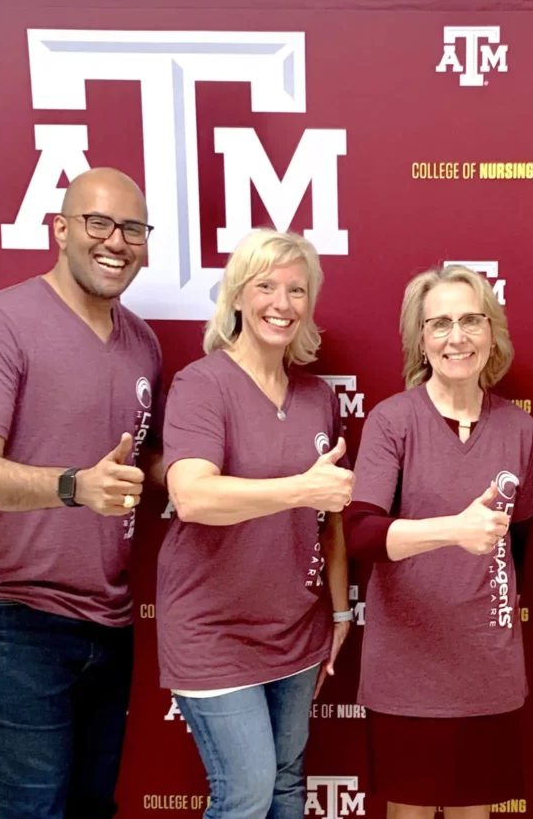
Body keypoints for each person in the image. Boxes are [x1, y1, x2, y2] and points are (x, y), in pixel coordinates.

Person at [0, 167, 162, 819]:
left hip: (107, 617)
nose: (116, 242)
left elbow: (144, 464)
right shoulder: (0, 322)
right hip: (10, 612)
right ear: (62, 229)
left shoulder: (144, 344)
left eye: (132, 228)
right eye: (98, 223)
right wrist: (73, 486)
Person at [158, 228, 355, 819]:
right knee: (245, 793)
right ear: (238, 296)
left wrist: (340, 612)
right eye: (266, 285)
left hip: (295, 629)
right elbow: (191, 495)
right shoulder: (203, 383)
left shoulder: (318, 396)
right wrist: (300, 489)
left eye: (297, 290)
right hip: (213, 632)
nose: (282, 302)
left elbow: (331, 520)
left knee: (288, 786)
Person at [343, 264, 533, 819]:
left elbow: (519, 539)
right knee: (408, 810)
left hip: (486, 664)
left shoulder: (518, 429)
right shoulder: (392, 420)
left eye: (471, 320)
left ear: (492, 331)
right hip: (408, 664)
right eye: (440, 324)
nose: (457, 337)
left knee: (473, 812)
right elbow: (360, 533)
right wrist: (453, 530)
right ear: (421, 339)